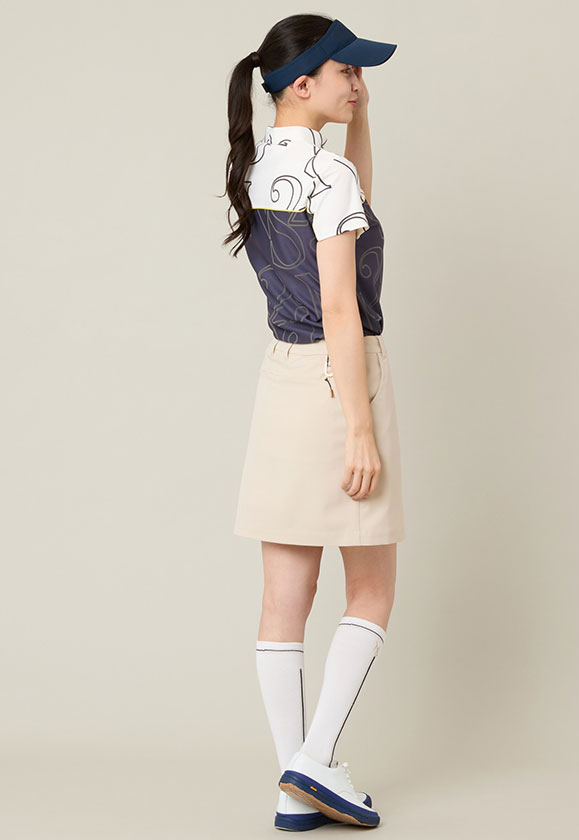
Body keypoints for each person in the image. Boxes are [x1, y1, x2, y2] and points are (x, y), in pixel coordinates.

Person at [222, 14, 403, 830]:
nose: (358, 85)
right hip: (342, 380)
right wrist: (360, 427)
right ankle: (313, 763)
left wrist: (360, 120)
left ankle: (292, 788)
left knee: (284, 593)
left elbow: (352, 190)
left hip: (282, 384)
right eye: (346, 74)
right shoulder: (327, 177)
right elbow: (339, 305)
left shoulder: (259, 164)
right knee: (372, 586)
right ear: (303, 84)